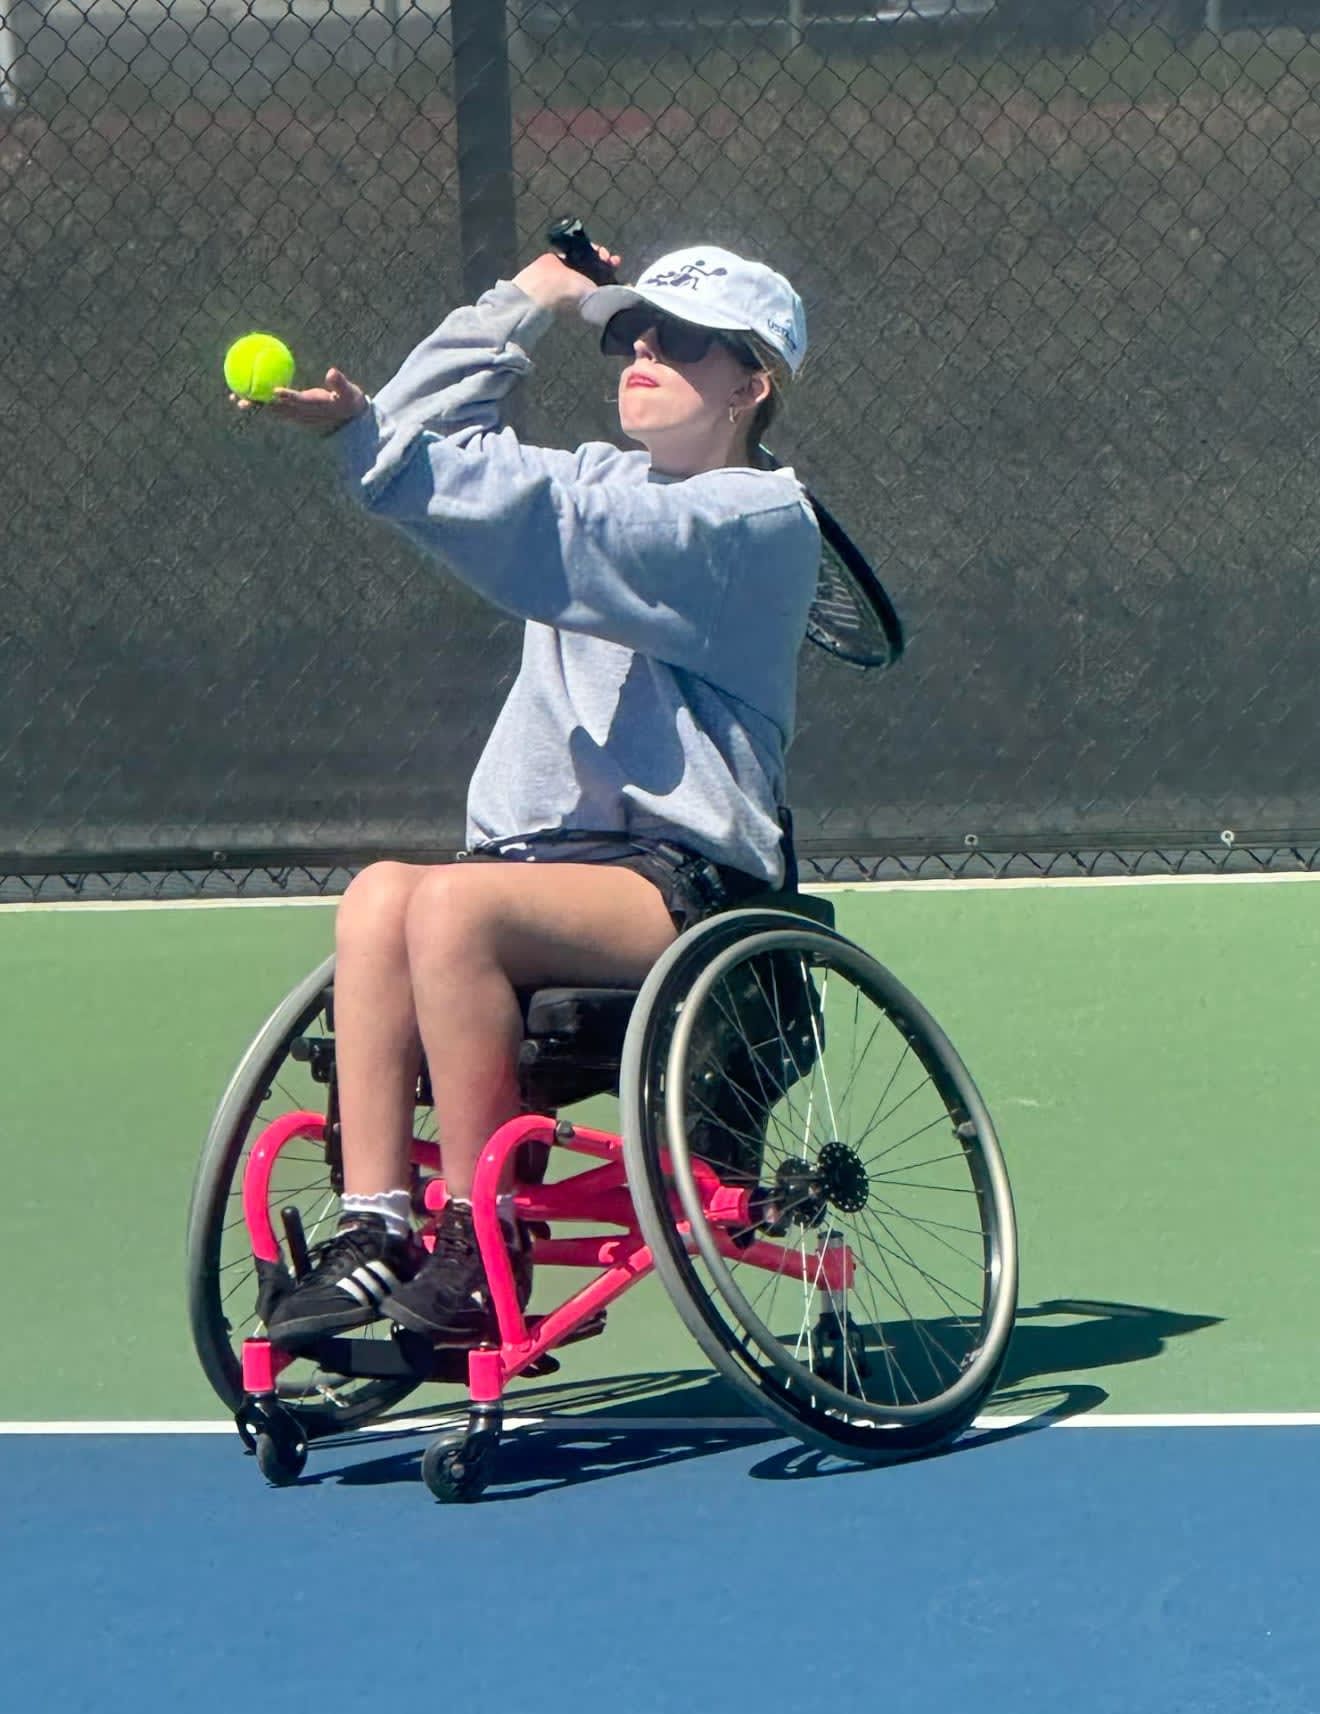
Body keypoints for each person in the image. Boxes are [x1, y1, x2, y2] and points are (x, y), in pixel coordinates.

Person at [230, 238, 820, 1348]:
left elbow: (514, 513)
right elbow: (417, 440)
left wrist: (373, 442)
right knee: (377, 898)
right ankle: (375, 1226)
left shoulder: (748, 524)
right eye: (632, 331)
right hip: (540, 869)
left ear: (752, 382)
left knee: (449, 905)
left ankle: (475, 1235)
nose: (642, 349)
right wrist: (536, 294)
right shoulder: (608, 474)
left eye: (681, 340)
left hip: (684, 884)